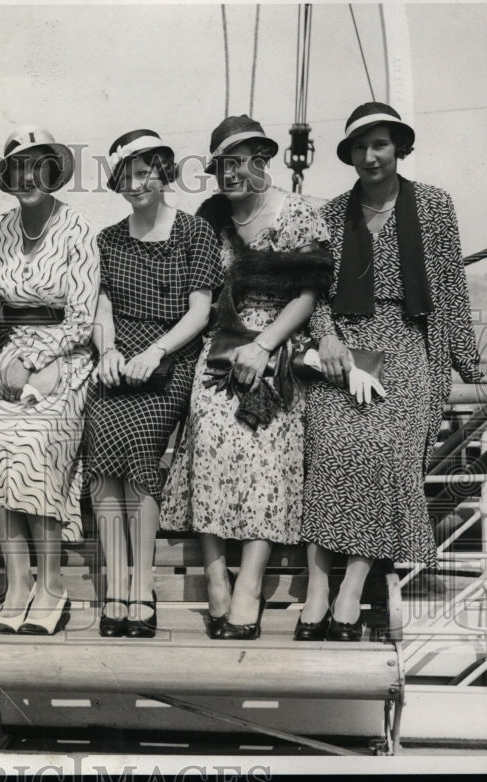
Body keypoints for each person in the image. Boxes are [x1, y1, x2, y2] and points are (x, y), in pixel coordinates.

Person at [297, 103, 482, 641]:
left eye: (379, 144)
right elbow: (317, 294)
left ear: (398, 147)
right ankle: (316, 589)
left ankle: (351, 588)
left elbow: (448, 286)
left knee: (385, 450)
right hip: (347, 346)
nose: (370, 156)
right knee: (330, 444)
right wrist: (327, 338)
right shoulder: (331, 215)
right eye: (360, 147)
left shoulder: (433, 205)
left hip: (407, 344)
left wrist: (461, 362)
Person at [159, 115, 332, 640]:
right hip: (219, 343)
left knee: (266, 455)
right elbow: (196, 292)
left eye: (241, 161)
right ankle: (216, 581)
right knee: (208, 437)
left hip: (276, 344)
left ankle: (249, 587)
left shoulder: (297, 213)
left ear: (263, 158)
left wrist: (263, 346)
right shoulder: (210, 217)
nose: (231, 174)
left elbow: (308, 295)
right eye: (222, 165)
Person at [85, 130, 222, 638]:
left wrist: (155, 351)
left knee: (142, 444)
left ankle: (141, 587)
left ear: (164, 173)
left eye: (145, 172)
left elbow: (200, 312)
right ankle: (114, 587)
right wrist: (109, 350)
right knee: (100, 446)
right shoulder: (110, 239)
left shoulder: (193, 232)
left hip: (170, 357)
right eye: (126, 175)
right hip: (120, 359)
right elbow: (102, 310)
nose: (137, 183)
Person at [0, 126, 99, 636]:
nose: (27, 177)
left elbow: (83, 317)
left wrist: (40, 358)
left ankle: (53, 585)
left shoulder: (78, 228)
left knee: (36, 445)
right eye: (17, 169)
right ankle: (18, 581)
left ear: (52, 171)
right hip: (10, 350)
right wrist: (9, 358)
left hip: (66, 352)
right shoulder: (0, 230)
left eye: (37, 166)